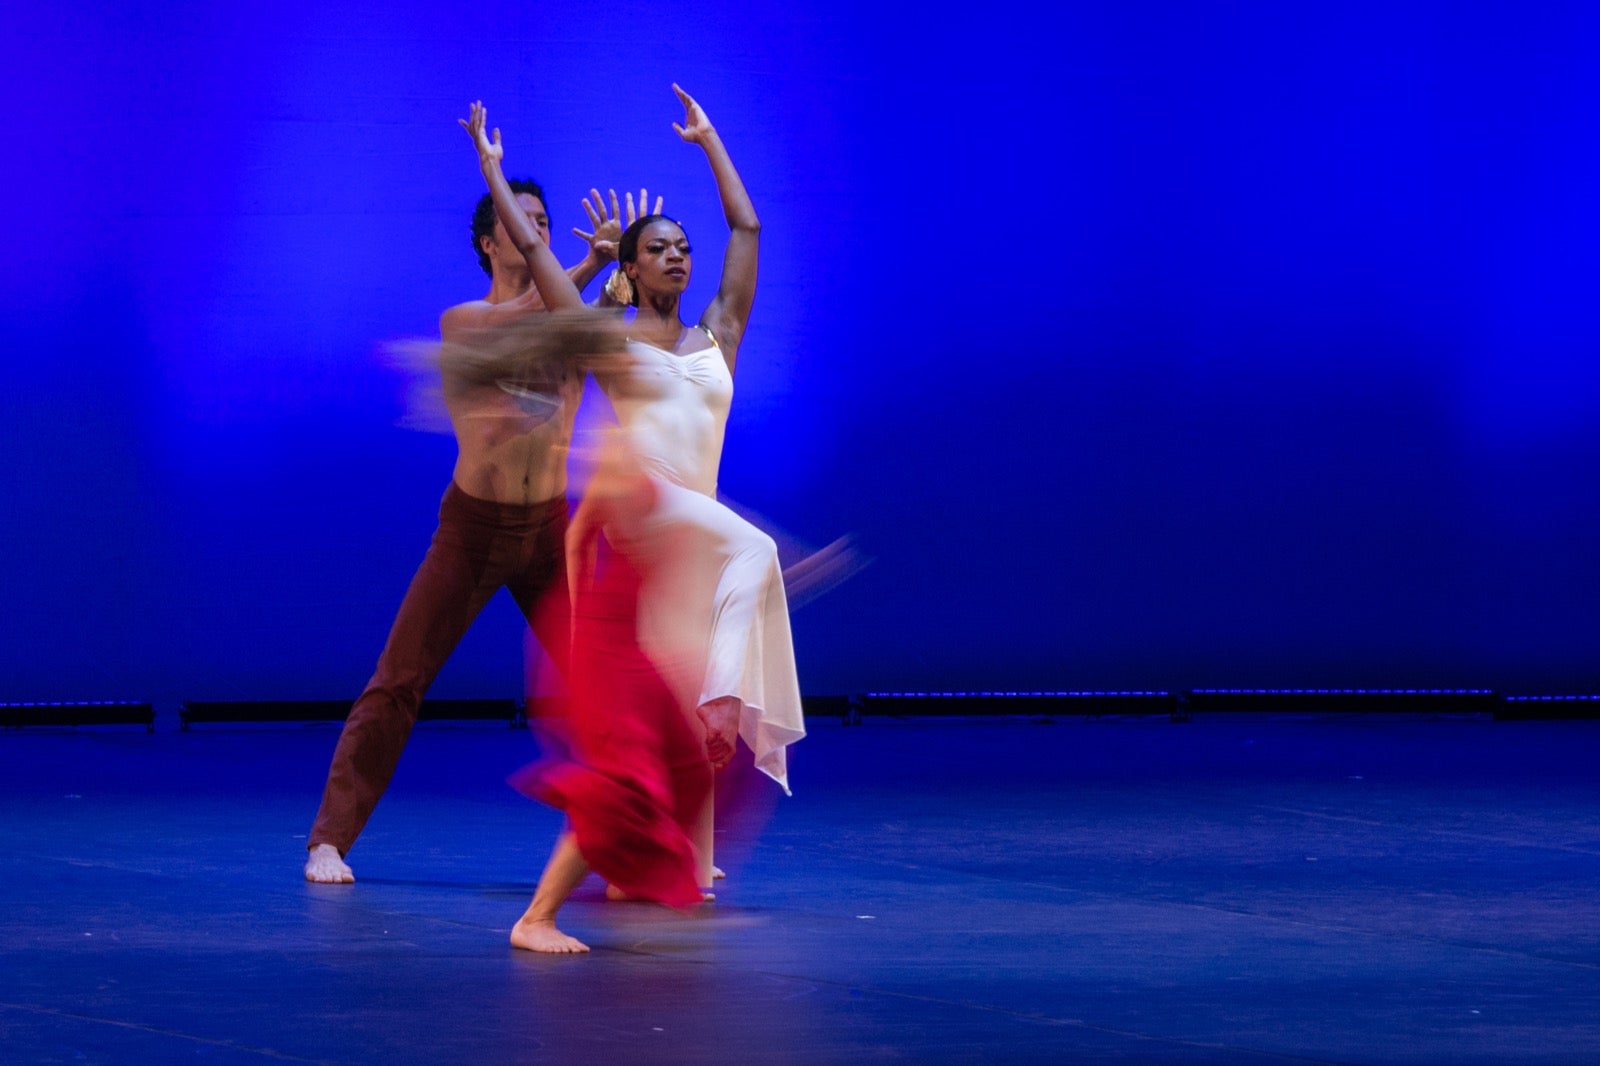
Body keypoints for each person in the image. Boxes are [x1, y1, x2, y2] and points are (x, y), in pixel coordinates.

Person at [462, 84, 805, 950]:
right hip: (652, 525)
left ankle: (670, 861)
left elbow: (750, 230)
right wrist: (493, 173)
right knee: (754, 561)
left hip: (697, 537)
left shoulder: (718, 335)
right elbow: (541, 262)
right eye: (662, 248)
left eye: (686, 247)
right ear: (633, 265)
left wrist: (711, 140)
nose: (681, 257)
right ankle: (567, 894)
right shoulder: (612, 344)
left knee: (684, 730)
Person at [302, 162, 653, 885]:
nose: (535, 237)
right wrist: (587, 263)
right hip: (473, 530)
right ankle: (329, 840)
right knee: (400, 678)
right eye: (520, 227)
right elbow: (522, 321)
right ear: (491, 244)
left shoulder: (569, 318)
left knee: (604, 686)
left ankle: (634, 847)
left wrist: (615, 278)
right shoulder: (463, 320)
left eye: (544, 226)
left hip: (549, 531)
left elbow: (602, 332)